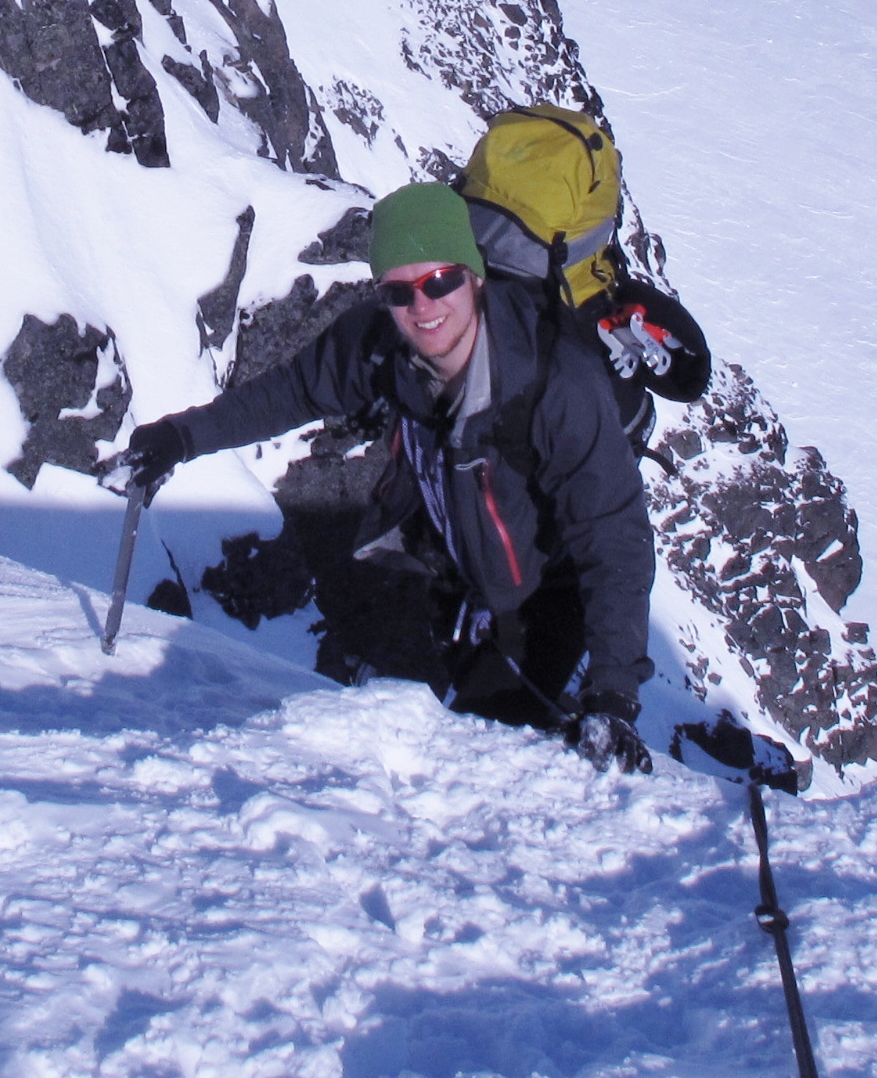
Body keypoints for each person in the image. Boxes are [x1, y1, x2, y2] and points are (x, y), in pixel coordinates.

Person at [121, 182, 658, 773]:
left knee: (486, 761)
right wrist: (181, 437)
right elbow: (294, 391)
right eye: (399, 292)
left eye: (440, 281)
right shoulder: (380, 347)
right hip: (456, 568)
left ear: (474, 276)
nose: (423, 307)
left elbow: (614, 536)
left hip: (548, 594)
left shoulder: (556, 382)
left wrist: (613, 695)